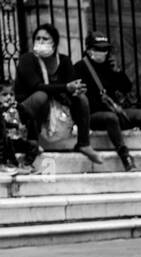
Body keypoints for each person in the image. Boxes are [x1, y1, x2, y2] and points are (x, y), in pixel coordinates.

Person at [74, 31, 141, 172]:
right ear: (89, 50)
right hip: (94, 116)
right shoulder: (80, 67)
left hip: (114, 112)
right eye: (99, 49)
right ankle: (125, 156)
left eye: (105, 49)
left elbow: (126, 88)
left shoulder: (108, 66)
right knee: (110, 118)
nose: (103, 52)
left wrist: (117, 71)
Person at [13, 22, 101, 164]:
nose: (40, 42)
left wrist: (75, 89)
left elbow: (71, 84)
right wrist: (65, 87)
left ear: (54, 42)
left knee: (81, 98)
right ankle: (32, 143)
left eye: (45, 39)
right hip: (29, 110)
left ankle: (84, 143)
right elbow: (37, 86)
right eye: (38, 38)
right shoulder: (27, 59)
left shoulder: (64, 60)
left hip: (57, 109)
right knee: (41, 95)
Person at [0, 80, 42, 171]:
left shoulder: (17, 107)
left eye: (11, 94)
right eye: (4, 95)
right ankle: (6, 163)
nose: (9, 97)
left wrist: (20, 107)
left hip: (17, 139)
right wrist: (4, 109)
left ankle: (26, 164)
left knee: (33, 145)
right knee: (6, 142)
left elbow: (29, 118)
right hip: (5, 142)